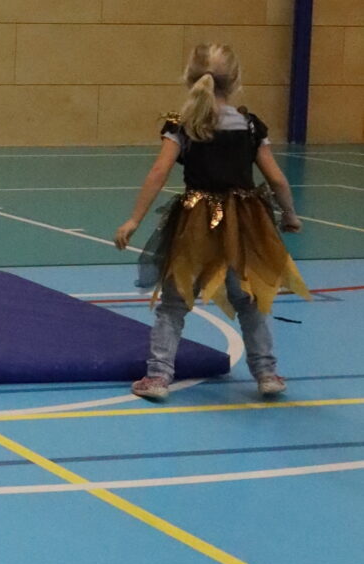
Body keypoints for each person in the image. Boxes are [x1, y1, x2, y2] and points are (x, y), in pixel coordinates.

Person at [114, 41, 306, 401]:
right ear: (235, 81)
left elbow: (158, 173)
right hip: (244, 222)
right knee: (248, 299)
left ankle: (158, 377)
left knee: (175, 302)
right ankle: (266, 373)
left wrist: (134, 219)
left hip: (196, 221)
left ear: (190, 79)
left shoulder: (184, 126)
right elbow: (277, 179)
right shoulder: (250, 126)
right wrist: (290, 215)